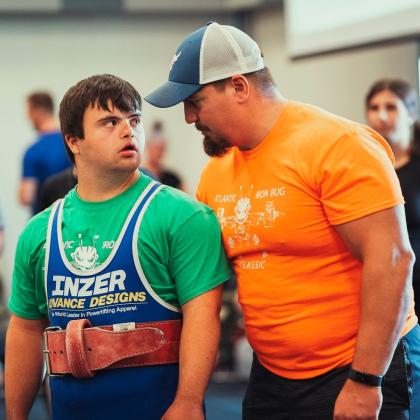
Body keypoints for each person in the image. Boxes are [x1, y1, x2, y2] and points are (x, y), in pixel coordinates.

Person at [145, 22, 420, 419]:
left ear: (239, 87)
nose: (189, 117)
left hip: (357, 367)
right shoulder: (217, 173)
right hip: (273, 375)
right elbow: (203, 281)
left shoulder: (338, 146)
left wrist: (365, 380)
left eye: (195, 101)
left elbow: (393, 261)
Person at [6, 74, 231, 420]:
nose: (128, 131)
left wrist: (188, 400)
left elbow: (204, 316)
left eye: (134, 120)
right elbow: (24, 329)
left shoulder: (184, 217)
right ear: (73, 141)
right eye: (110, 122)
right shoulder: (38, 233)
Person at [366, 78, 420, 321]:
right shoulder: (365, 168)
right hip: (387, 287)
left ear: (411, 114)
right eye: (374, 108)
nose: (382, 116)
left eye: (391, 107)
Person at [19, 91, 71, 215]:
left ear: (37, 111)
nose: (28, 116)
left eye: (29, 111)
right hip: (73, 219)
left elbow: (26, 196)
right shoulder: (72, 144)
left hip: (45, 224)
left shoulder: (34, 151)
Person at [141, 121, 184, 190]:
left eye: (161, 149)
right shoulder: (139, 175)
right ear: (148, 147)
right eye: (156, 148)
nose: (158, 153)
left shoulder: (173, 179)